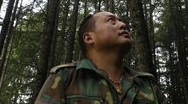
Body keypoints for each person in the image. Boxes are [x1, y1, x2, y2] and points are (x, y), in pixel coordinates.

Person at [35, 11, 167, 103]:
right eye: (112, 21)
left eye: (121, 21)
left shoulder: (147, 84)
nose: (123, 25)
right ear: (89, 38)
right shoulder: (65, 77)